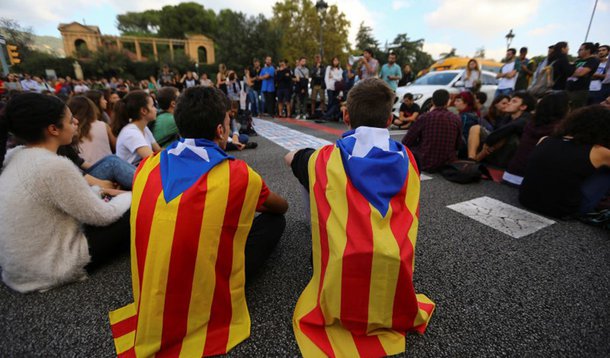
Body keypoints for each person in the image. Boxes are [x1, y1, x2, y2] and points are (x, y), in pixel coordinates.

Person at [108, 86, 287, 357]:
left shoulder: (146, 167)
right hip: (203, 293)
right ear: (220, 130)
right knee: (274, 223)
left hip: (153, 290)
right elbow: (280, 206)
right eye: (228, 122)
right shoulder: (238, 175)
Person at [286, 78, 434, 357]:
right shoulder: (409, 159)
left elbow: (290, 157)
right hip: (393, 262)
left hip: (342, 263)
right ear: (389, 119)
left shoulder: (324, 158)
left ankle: (321, 238)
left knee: (309, 175)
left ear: (345, 116)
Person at [0, 93, 131, 293]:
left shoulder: (14, 156)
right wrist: (129, 196)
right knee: (134, 210)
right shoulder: (52, 166)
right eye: (71, 120)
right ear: (53, 129)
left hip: (18, 270)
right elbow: (103, 216)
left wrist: (98, 192)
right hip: (53, 268)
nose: (76, 121)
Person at [520, 105, 610, 219]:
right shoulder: (600, 152)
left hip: (525, 199)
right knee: (606, 173)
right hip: (563, 211)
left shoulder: (545, 139)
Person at [503, 91, 570, 186]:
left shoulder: (530, 123)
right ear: (563, 108)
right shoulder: (560, 129)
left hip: (509, 174)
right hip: (529, 180)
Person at [468, 91, 536, 168]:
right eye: (510, 100)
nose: (509, 103)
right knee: (475, 128)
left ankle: (476, 160)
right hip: (496, 150)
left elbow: (508, 129)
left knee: (506, 136)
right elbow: (497, 131)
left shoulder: (527, 119)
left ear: (523, 107)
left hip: (513, 156)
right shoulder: (507, 117)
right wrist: (489, 141)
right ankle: (471, 158)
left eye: (514, 101)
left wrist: (488, 142)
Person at [402, 89, 462, 171]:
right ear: (448, 102)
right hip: (448, 163)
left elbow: (407, 141)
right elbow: (458, 144)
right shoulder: (455, 118)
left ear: (433, 102)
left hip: (425, 161)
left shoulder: (424, 117)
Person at [113, 90, 161, 166]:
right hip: (132, 174)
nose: (156, 109)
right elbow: (153, 160)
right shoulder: (131, 133)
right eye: (152, 106)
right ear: (144, 111)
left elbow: (158, 150)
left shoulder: (144, 128)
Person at [68, 96, 116, 164]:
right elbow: (116, 146)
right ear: (92, 109)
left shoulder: (68, 130)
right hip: (107, 166)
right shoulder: (103, 125)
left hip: (82, 170)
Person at [567, 42, 600, 109]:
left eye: (581, 49)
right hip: (568, 89)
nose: (578, 51)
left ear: (588, 50)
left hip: (579, 91)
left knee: (574, 112)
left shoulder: (593, 60)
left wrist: (570, 72)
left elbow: (580, 73)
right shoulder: (577, 61)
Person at [321, 56, 343, 121]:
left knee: (335, 102)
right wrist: (327, 86)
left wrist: (333, 76)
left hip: (336, 88)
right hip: (330, 87)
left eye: (337, 60)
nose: (335, 62)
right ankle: (328, 116)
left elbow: (340, 78)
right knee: (330, 101)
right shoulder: (329, 68)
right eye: (334, 60)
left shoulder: (340, 69)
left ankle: (333, 116)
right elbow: (326, 77)